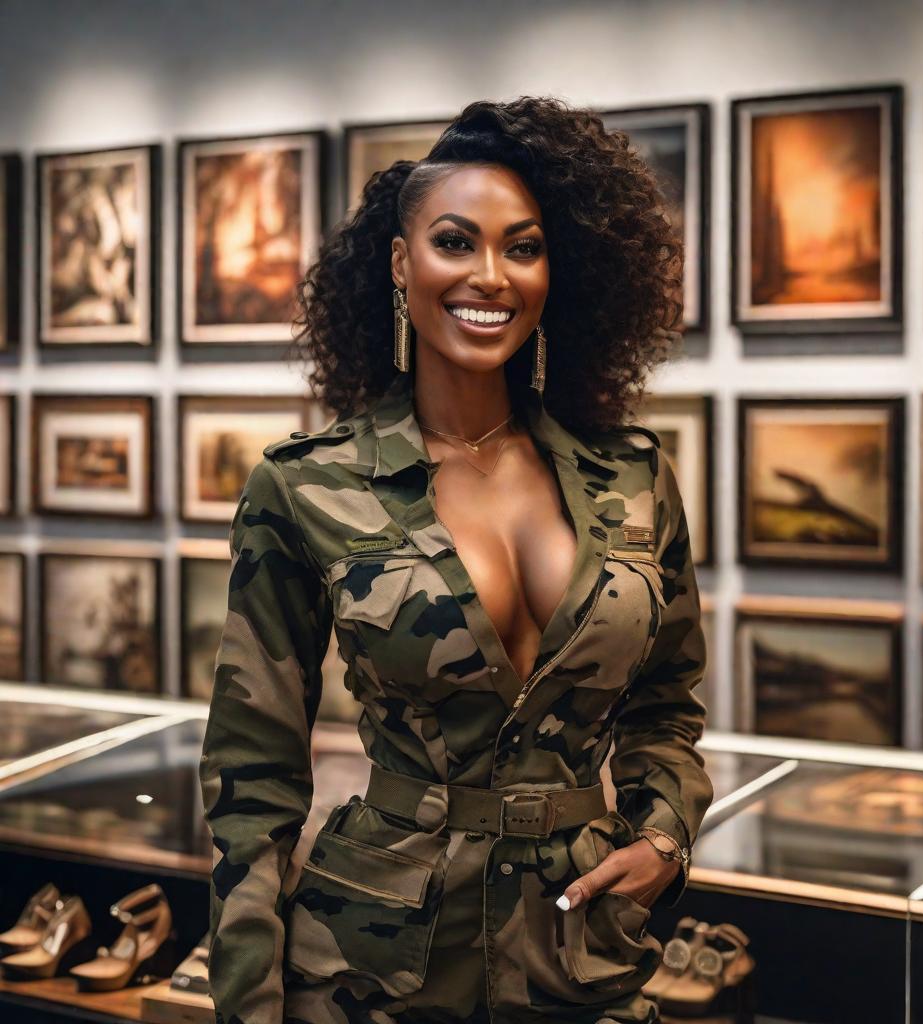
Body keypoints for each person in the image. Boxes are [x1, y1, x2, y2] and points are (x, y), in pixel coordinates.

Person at [200, 94, 713, 1024]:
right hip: (370, 966)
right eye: (454, 242)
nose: (491, 276)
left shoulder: (634, 480)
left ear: (559, 271)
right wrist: (247, 1003)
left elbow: (668, 705)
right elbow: (253, 773)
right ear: (401, 264)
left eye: (523, 247)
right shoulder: (307, 488)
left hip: (582, 956)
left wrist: (665, 838)